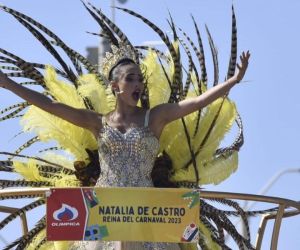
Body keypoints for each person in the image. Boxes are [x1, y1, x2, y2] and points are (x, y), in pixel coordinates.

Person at [0, 43, 250, 249]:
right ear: (115, 86)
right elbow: (52, 107)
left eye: (140, 80)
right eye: (131, 79)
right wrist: (8, 84)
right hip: (104, 213)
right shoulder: (97, 122)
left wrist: (234, 81)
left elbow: (196, 102)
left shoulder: (155, 117)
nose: (138, 85)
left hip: (144, 213)